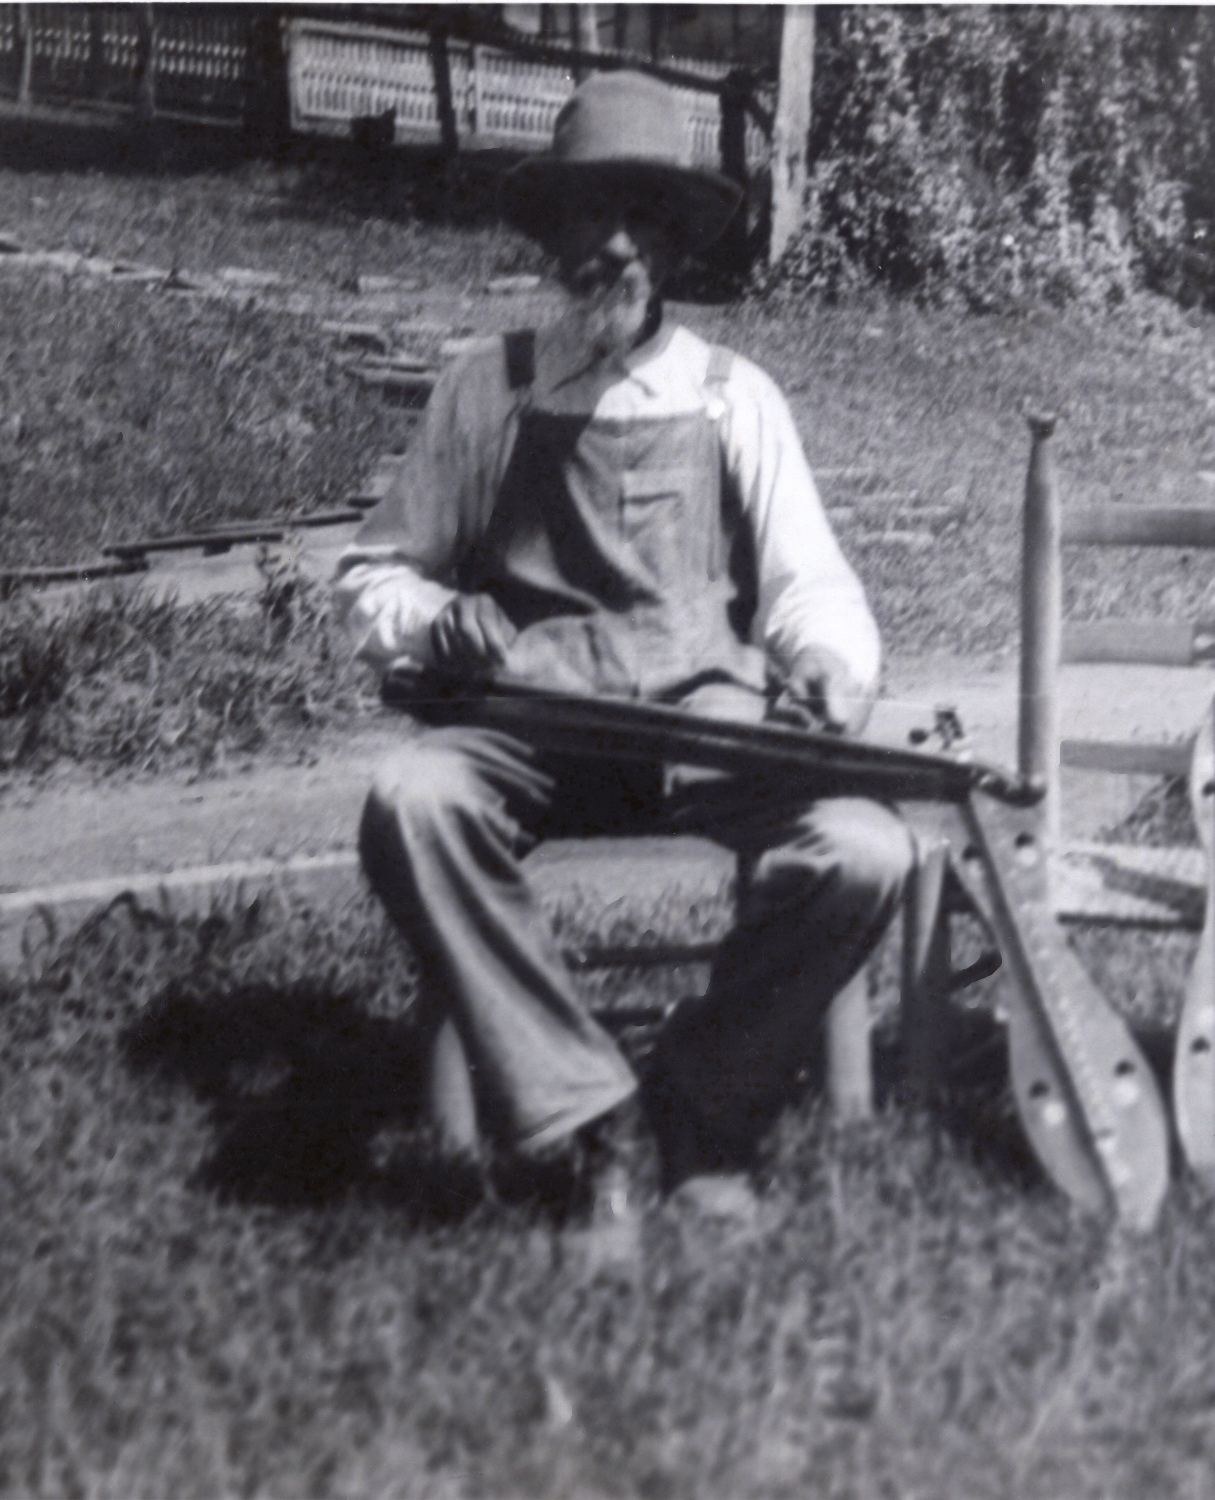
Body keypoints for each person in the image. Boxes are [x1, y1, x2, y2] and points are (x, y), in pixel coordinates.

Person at [336, 72, 913, 1240]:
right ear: (551, 232)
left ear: (676, 242)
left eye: (641, 215)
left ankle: (706, 1112)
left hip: (702, 728)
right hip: (531, 730)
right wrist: (433, 619)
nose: (613, 243)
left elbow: (815, 589)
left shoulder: (734, 398)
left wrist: (827, 674)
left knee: (864, 848)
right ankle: (590, 1114)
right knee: (408, 800)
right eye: (588, 214)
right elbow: (370, 576)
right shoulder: (485, 389)